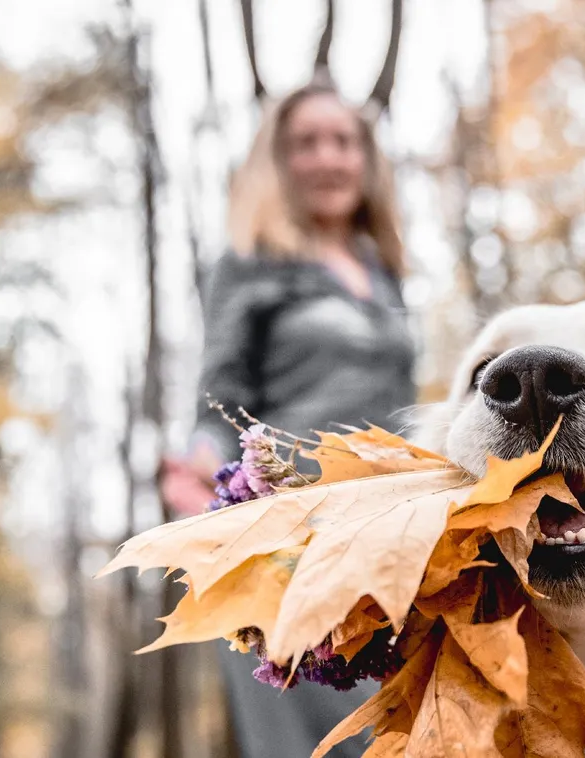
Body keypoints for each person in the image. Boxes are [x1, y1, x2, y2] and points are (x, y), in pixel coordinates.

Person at [161, 81, 416, 758]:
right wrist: (198, 467)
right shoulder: (248, 263)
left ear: (365, 158)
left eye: (343, 141)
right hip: (287, 530)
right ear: (278, 162)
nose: (327, 158)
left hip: (388, 529)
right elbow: (218, 394)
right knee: (319, 737)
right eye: (306, 143)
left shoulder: (382, 269)